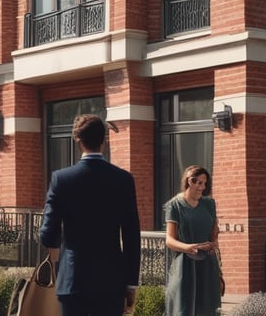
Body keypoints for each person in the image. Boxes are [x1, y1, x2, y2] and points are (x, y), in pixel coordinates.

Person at [40, 114, 141, 316]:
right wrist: (131, 283)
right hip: (110, 281)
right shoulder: (123, 179)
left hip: (73, 278)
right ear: (104, 139)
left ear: (77, 140)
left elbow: (47, 235)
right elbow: (131, 235)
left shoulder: (61, 179)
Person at [164, 165, 222, 316]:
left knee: (208, 309)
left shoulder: (209, 204)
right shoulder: (174, 205)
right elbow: (169, 240)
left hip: (208, 263)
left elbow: (213, 232)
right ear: (189, 181)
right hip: (185, 265)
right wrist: (189, 247)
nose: (202, 187)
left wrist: (214, 240)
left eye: (204, 183)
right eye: (198, 182)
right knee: (183, 309)